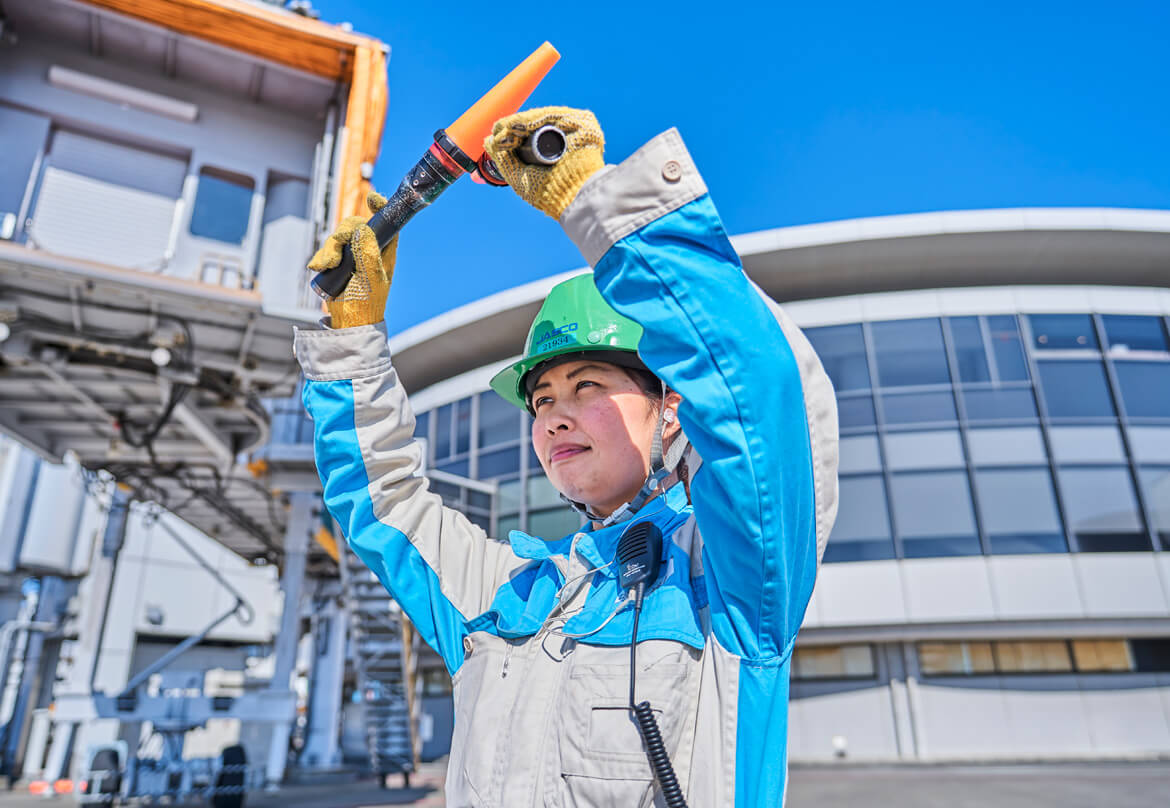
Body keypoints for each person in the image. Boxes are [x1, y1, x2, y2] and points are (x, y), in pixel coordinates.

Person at [295, 106, 839, 807]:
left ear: (669, 406)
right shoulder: (506, 590)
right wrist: (354, 338)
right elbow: (385, 503)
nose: (556, 416)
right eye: (542, 400)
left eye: (588, 387)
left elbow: (759, 392)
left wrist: (592, 199)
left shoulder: (731, 575)